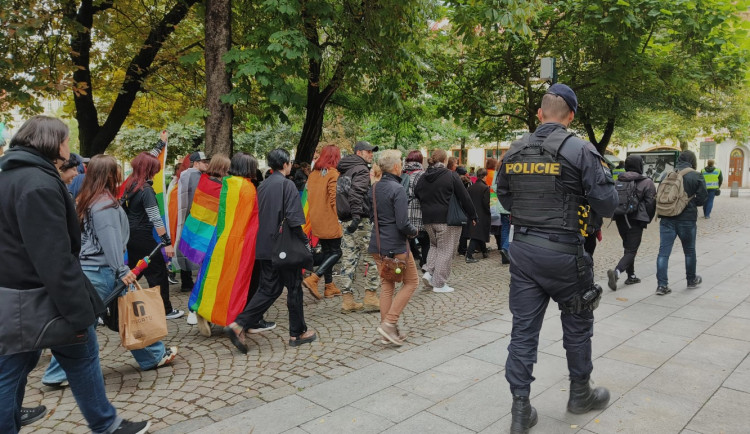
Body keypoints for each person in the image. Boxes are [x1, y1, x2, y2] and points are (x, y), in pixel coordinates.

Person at [0, 116, 150, 434]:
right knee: (73, 358)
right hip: (42, 298)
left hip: (20, 297)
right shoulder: (37, 184)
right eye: (66, 141)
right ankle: (106, 425)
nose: (69, 148)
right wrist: (80, 309)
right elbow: (54, 257)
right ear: (51, 143)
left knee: (15, 366)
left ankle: (104, 423)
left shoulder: (12, 177)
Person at [496, 84, 618, 433]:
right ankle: (580, 394)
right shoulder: (580, 150)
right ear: (571, 117)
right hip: (565, 253)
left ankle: (520, 409)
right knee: (578, 325)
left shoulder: (514, 151)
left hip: (523, 251)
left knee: (522, 332)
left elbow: (505, 197)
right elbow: (608, 203)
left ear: (539, 115)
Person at [42, 155, 179, 386]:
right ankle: (57, 373)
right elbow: (110, 240)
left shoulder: (86, 199)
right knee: (98, 320)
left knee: (106, 317)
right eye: (117, 171)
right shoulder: (103, 204)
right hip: (103, 270)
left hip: (91, 268)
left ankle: (152, 355)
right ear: (110, 175)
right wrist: (120, 269)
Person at [224, 149, 317, 353]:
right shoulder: (287, 185)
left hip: (265, 245)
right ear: (285, 164)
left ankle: (239, 323)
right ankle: (297, 333)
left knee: (268, 289)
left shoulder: (262, 185)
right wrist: (305, 242)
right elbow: (294, 218)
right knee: (293, 288)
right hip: (284, 247)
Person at [121, 151, 183, 319]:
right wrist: (167, 242)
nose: (156, 173)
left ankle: (113, 301)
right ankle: (165, 309)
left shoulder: (130, 185)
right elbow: (155, 217)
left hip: (131, 236)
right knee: (158, 272)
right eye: (155, 169)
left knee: (134, 272)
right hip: (142, 236)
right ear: (149, 170)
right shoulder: (145, 190)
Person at [368, 150, 419, 345]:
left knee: (387, 285)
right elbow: (402, 223)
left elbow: (373, 217)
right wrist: (414, 231)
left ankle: (386, 332)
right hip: (396, 246)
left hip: (377, 244)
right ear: (396, 167)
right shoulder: (397, 189)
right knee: (412, 282)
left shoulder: (373, 188)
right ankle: (389, 323)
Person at [415, 149, 477, 293]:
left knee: (435, 246)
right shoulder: (450, 175)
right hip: (446, 219)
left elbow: (417, 192)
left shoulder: (424, 176)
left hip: (428, 219)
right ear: (444, 161)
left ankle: (429, 273)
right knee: (446, 250)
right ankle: (439, 284)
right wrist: (473, 215)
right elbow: (464, 197)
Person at [336, 141, 380, 313]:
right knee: (373, 258)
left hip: (346, 220)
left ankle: (347, 301)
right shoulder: (361, 169)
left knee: (348, 259)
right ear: (359, 152)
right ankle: (370, 297)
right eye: (369, 152)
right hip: (359, 220)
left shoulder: (344, 169)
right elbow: (356, 193)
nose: (371, 155)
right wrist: (356, 216)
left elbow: (341, 194)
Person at [655, 150, 707, 295]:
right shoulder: (696, 175)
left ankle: (662, 285)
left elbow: (660, 193)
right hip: (687, 219)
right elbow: (703, 198)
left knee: (663, 253)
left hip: (667, 217)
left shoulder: (667, 175)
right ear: (692, 160)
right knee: (689, 251)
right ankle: (691, 280)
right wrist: (689, 203)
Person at [606, 155, 656, 291]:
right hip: (635, 219)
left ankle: (631, 275)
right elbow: (651, 203)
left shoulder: (618, 180)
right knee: (632, 249)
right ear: (640, 165)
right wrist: (647, 218)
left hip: (620, 217)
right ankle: (616, 272)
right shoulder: (646, 182)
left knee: (628, 246)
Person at [302, 145, 344, 299]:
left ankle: (329, 286)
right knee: (336, 252)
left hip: (316, 219)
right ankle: (314, 278)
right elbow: (334, 198)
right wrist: (341, 217)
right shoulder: (333, 174)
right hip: (330, 220)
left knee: (327, 252)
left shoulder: (313, 174)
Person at [176, 151, 210, 295]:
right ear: (196, 163)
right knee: (187, 248)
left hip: (197, 218)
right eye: (204, 162)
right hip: (190, 218)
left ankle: (190, 281)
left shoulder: (199, 176)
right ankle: (187, 280)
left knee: (192, 248)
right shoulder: (189, 176)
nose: (207, 164)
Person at [403, 150, 430, 268]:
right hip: (418, 210)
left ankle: (405, 264)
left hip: (403, 210)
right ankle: (424, 263)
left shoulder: (401, 172)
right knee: (425, 240)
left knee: (406, 240)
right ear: (420, 160)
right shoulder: (422, 174)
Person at [466, 168, 491, 263]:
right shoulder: (485, 188)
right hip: (482, 214)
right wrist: (488, 212)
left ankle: (484, 252)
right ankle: (469, 255)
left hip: (472, 213)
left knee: (479, 233)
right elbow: (486, 203)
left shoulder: (470, 188)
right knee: (476, 235)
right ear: (484, 177)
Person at [456, 166, 473, 256]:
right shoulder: (469, 183)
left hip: (458, 207)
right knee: (464, 229)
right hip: (465, 208)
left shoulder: (456, 182)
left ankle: (461, 248)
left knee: (459, 229)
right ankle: (463, 249)